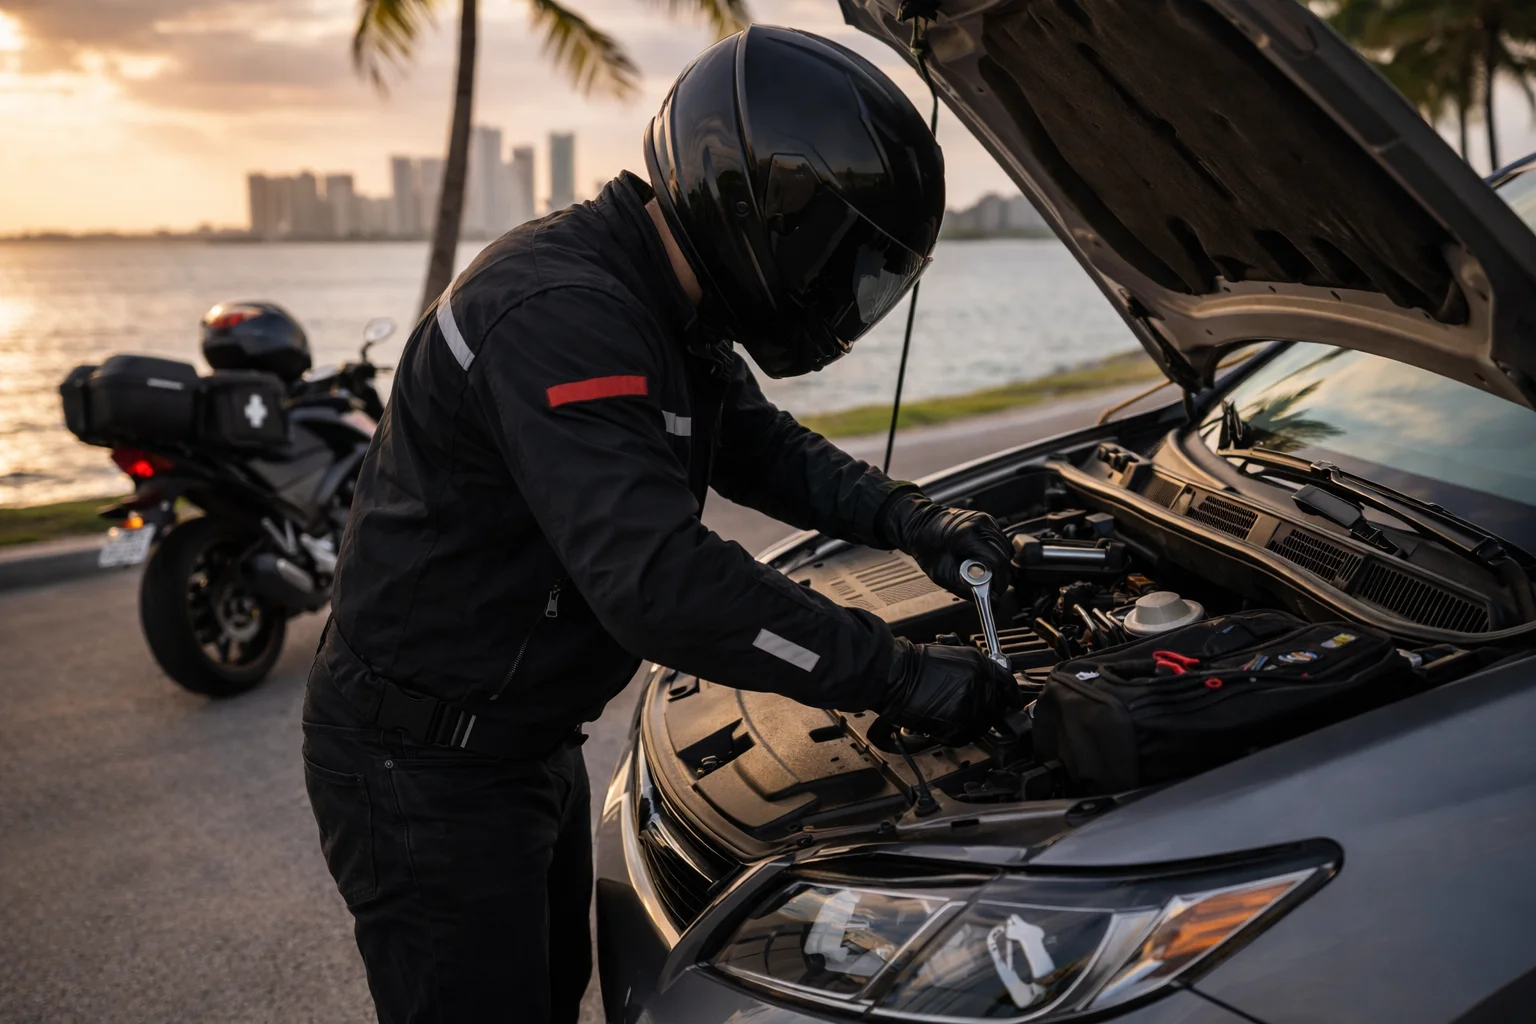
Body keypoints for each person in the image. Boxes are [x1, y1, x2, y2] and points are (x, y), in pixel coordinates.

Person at [301, 25, 1020, 1024]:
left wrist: (919, 519)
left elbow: (764, 450)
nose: (846, 295)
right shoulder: (567, 313)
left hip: (516, 744)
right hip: (422, 769)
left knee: (552, 994)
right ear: (772, 214)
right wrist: (899, 675)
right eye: (844, 261)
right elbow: (661, 586)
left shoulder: (663, 297)